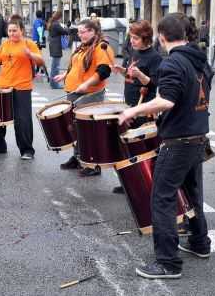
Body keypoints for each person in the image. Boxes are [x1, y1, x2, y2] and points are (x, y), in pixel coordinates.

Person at [118, 13, 213, 279]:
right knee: (192, 192)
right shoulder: (199, 61)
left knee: (162, 198)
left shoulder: (173, 62)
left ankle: (168, 263)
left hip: (178, 138)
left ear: (161, 37)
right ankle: (199, 242)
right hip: (198, 135)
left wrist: (132, 112)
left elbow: (167, 100)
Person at [54, 19, 114, 177]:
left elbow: (103, 71)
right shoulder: (83, 47)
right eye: (79, 32)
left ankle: (93, 164)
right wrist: (66, 75)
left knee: (89, 129)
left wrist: (86, 85)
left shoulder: (102, 47)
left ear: (93, 31)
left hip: (90, 93)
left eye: (83, 32)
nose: (80, 35)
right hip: (74, 91)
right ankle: (78, 157)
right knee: (75, 127)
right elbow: (77, 66)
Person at [110, 20, 162, 193]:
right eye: (131, 37)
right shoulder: (133, 52)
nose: (132, 41)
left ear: (146, 38)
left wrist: (140, 75)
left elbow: (154, 83)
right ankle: (130, 180)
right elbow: (130, 72)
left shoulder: (154, 57)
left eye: (136, 38)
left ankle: (145, 182)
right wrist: (122, 70)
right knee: (128, 145)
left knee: (142, 147)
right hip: (129, 102)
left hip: (144, 106)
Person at [0, 15, 43, 160]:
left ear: (21, 30)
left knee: (22, 120)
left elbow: (41, 61)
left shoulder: (29, 44)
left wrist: (31, 55)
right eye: (9, 31)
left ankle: (27, 150)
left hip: (22, 87)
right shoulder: (5, 44)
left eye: (15, 30)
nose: (12, 33)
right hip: (3, 85)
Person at [48, 11, 69, 89]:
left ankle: (52, 83)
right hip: (56, 46)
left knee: (54, 65)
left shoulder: (52, 23)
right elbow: (65, 32)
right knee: (55, 66)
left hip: (53, 45)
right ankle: (54, 84)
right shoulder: (56, 24)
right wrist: (67, 27)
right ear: (59, 17)